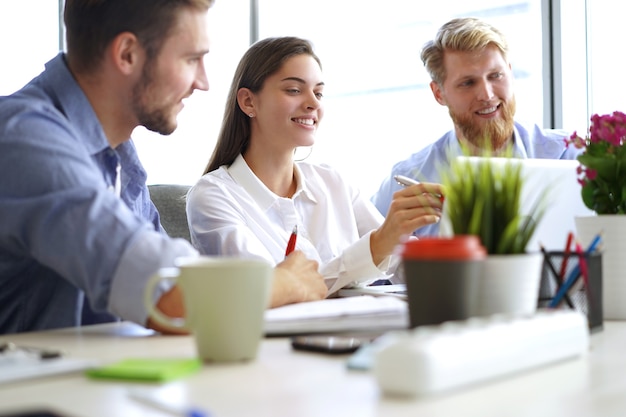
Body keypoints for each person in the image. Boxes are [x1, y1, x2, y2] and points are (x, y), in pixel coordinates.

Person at [0, 0, 327, 335]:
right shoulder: (24, 139)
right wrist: (286, 282)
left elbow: (174, 276)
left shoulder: (119, 156)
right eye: (191, 59)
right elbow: (170, 298)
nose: (203, 82)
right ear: (127, 53)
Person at [186, 36, 443, 293]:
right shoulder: (213, 196)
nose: (314, 103)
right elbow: (270, 292)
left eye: (318, 92)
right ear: (248, 102)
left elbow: (403, 262)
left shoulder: (332, 182)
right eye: (294, 90)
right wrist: (377, 245)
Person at [371, 17, 582, 237]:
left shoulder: (570, 155)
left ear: (510, 72)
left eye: (495, 76)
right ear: (439, 93)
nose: (487, 95)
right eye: (468, 83)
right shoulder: (409, 180)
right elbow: (363, 260)